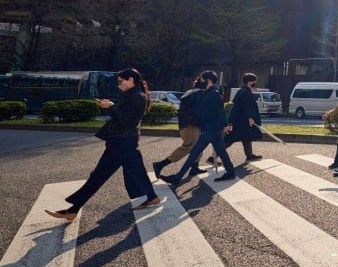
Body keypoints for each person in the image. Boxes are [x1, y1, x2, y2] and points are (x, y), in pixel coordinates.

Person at [46, 68, 162, 220]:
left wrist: (111, 107)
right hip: (125, 141)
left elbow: (124, 121)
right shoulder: (132, 95)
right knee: (137, 171)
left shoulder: (136, 97)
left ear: (131, 80)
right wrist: (111, 106)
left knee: (99, 175)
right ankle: (152, 197)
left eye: (121, 81)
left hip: (122, 142)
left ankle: (73, 209)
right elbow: (123, 117)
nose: (119, 84)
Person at [160, 70, 236, 185]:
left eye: (202, 80)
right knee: (221, 151)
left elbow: (220, 111)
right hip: (212, 128)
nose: (200, 81)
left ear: (208, 81)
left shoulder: (213, 93)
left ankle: (178, 177)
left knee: (194, 153)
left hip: (210, 128)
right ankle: (230, 172)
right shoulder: (210, 92)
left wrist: (225, 125)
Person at [152, 77, 207, 180]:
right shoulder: (200, 94)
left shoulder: (190, 92)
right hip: (192, 125)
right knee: (187, 147)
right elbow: (200, 111)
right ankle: (161, 164)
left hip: (187, 125)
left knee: (198, 146)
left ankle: (195, 167)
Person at [225, 72, 263, 163]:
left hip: (240, 119)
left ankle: (249, 155)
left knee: (246, 137)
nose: (255, 82)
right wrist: (250, 117)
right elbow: (246, 106)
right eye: (254, 81)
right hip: (242, 120)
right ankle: (214, 154)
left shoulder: (243, 90)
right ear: (250, 82)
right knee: (232, 138)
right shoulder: (245, 92)